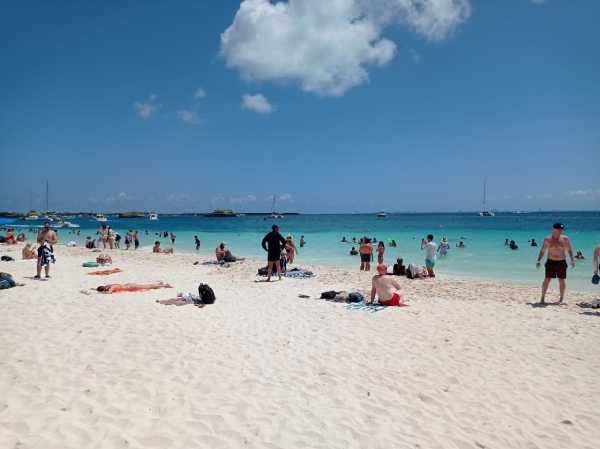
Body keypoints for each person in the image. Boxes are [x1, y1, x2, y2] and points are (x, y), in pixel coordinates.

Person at [536, 223, 575, 304]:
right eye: (559, 229)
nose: (561, 231)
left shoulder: (565, 239)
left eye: (562, 229)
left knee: (562, 280)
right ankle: (542, 298)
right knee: (547, 279)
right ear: (554, 229)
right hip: (550, 261)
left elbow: (569, 250)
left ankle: (561, 299)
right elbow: (543, 250)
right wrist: (538, 260)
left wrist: (572, 260)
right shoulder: (547, 239)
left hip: (561, 262)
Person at [96, 281, 172, 294]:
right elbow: (107, 290)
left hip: (131, 286)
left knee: (149, 286)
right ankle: (159, 284)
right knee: (148, 286)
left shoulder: (111, 287)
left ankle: (165, 285)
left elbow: (109, 292)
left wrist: (103, 292)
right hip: (128, 285)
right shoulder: (108, 286)